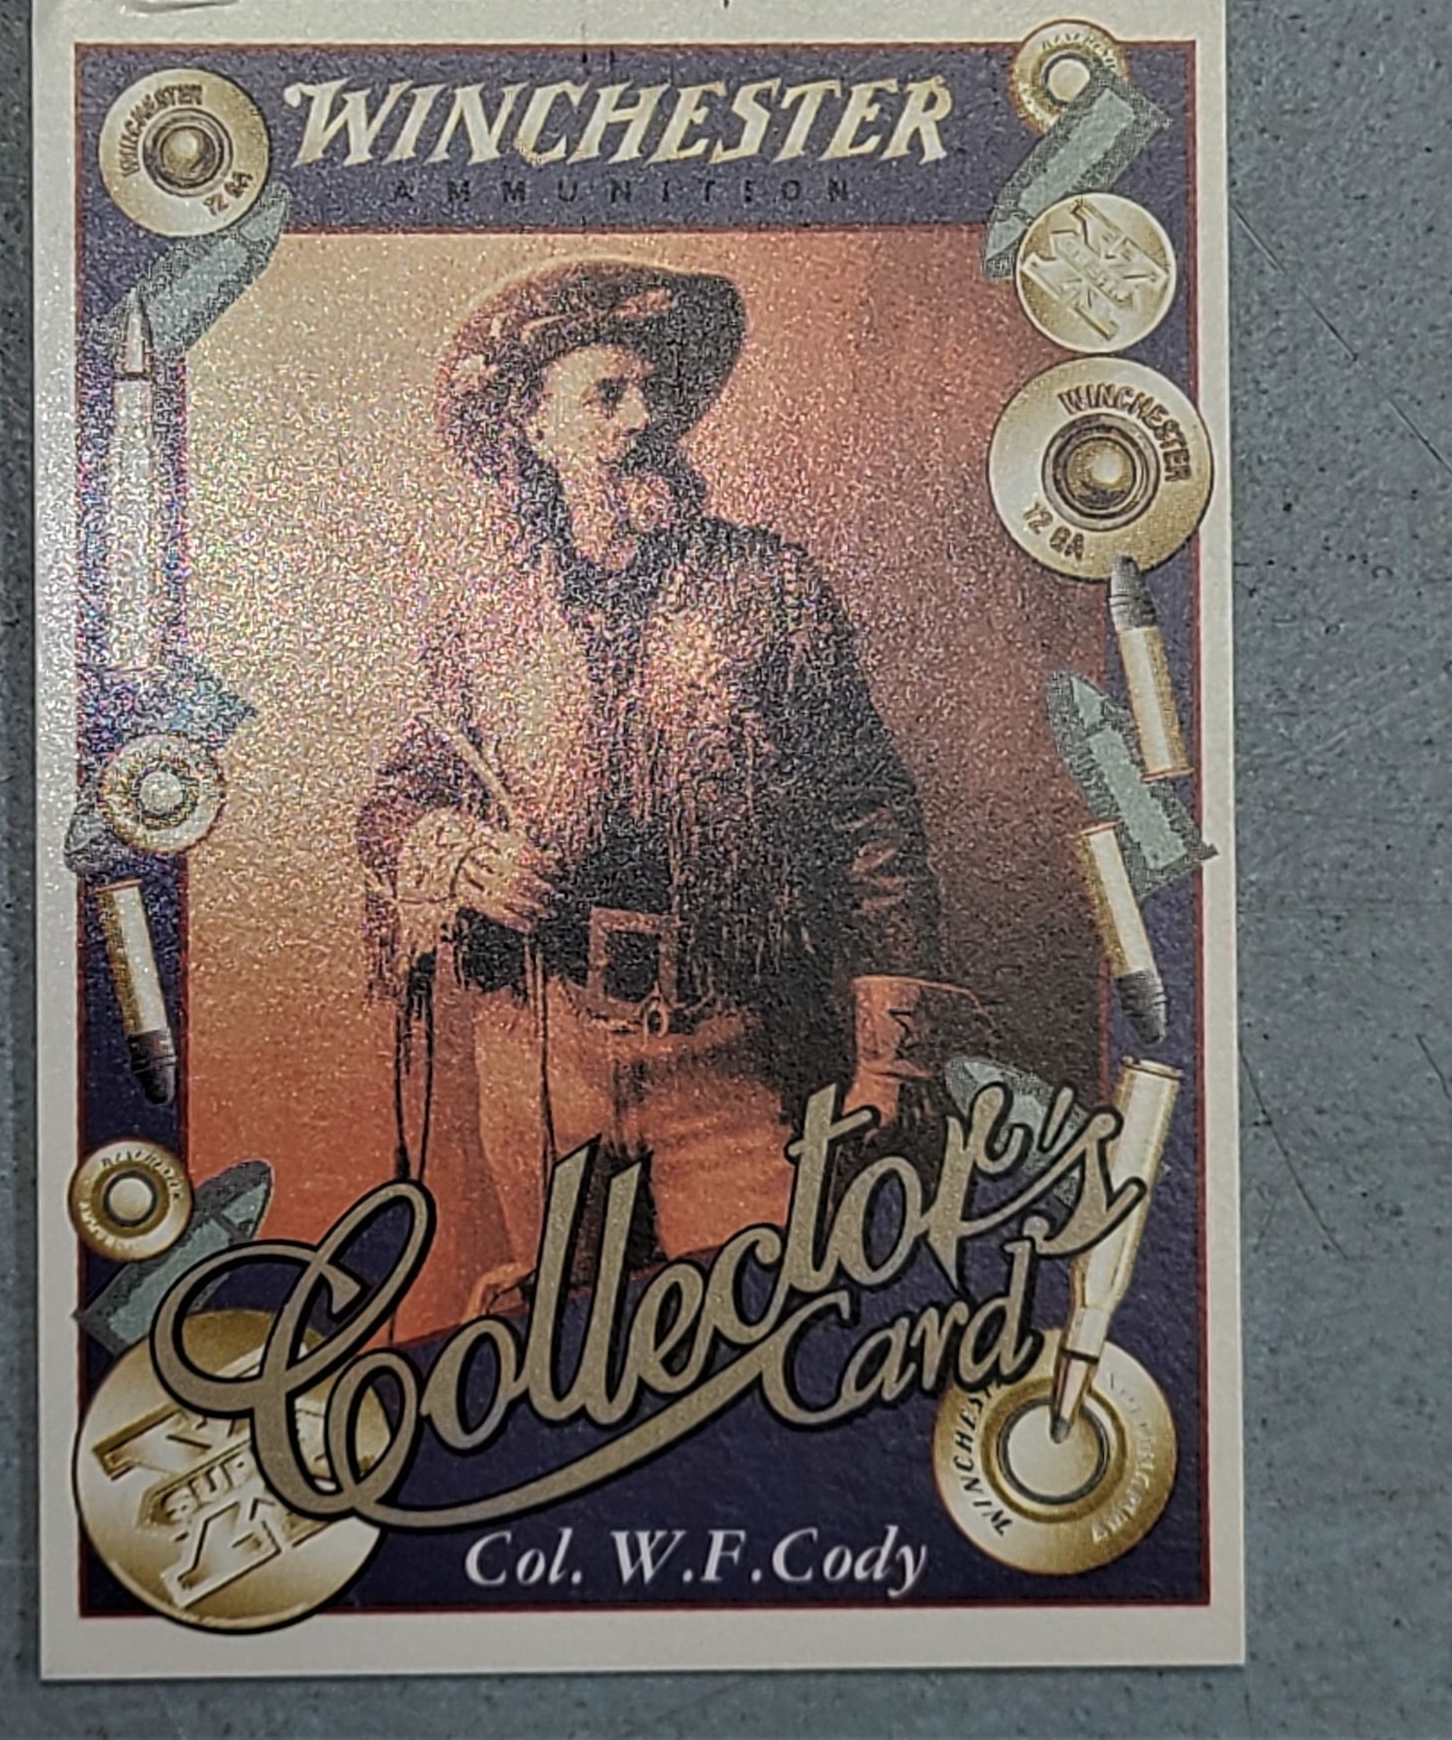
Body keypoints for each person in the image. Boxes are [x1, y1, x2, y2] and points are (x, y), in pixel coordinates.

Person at [358, 259, 984, 1310]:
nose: (642, 419)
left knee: (752, 1331)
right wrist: (461, 857)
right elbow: (395, 800)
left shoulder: (772, 588)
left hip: (733, 1044)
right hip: (542, 1047)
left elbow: (870, 817)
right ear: (534, 425)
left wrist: (893, 1060)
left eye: (652, 393)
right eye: (606, 395)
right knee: (561, 1336)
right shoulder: (481, 617)